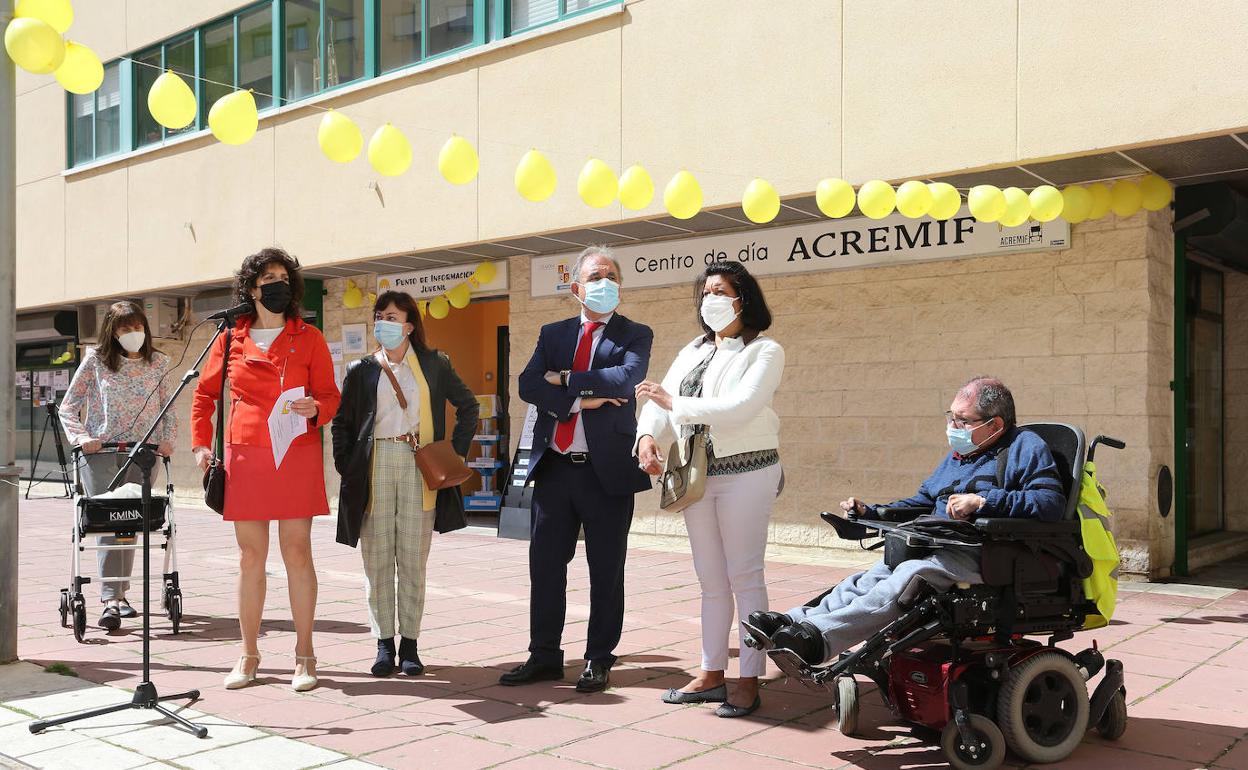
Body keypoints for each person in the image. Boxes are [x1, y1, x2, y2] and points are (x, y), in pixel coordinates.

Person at [749, 377, 1066, 666]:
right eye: (951, 416)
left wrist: (984, 501)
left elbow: (1050, 503)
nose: (953, 426)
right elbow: (923, 501)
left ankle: (818, 639)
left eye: (963, 420)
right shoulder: (959, 456)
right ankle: (790, 622)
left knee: (908, 580)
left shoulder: (1026, 447)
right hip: (938, 543)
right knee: (868, 579)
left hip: (985, 550)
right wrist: (871, 513)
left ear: (995, 425)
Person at [634, 261, 785, 718]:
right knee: (710, 579)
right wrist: (645, 438)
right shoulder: (694, 349)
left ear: (743, 298)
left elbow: (740, 408)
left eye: (719, 291)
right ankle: (710, 672)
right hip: (697, 474)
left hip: (748, 472)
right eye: (705, 293)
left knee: (745, 575)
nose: (710, 300)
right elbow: (660, 401)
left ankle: (748, 677)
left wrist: (672, 404)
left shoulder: (765, 351)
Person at [503, 245, 653, 693]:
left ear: (619, 284)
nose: (603, 283)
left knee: (606, 570)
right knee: (546, 568)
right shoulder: (553, 334)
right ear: (576, 288)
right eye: (594, 277)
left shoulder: (634, 333)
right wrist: (582, 400)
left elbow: (626, 380)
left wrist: (565, 378)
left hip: (606, 472)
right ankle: (544, 655)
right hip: (555, 469)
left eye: (610, 276)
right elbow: (528, 384)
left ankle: (598, 658)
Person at [191, 247, 340, 692]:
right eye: (267, 277)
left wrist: (316, 408)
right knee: (250, 557)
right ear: (251, 289)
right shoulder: (228, 338)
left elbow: (331, 396)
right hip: (246, 454)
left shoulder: (308, 337)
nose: (277, 284)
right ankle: (249, 654)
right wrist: (201, 443)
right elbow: (203, 397)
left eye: (282, 277)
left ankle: (305, 655)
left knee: (298, 552)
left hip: (295, 449)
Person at [332, 291, 479, 678]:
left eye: (393, 317)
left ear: (410, 325)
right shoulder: (360, 369)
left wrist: (455, 452)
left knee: (413, 560)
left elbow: (469, 406)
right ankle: (384, 645)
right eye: (380, 316)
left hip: (420, 463)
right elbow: (342, 424)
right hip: (375, 464)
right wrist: (348, 468)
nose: (384, 323)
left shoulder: (434, 364)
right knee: (377, 559)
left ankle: (411, 645)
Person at [60, 301, 177, 631]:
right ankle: (112, 598)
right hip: (101, 452)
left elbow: (168, 409)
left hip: (144, 454)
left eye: (138, 327)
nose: (133, 334)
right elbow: (68, 408)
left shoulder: (159, 363)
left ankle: (120, 595)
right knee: (108, 523)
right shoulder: (96, 362)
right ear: (112, 331)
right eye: (125, 329)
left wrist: (168, 440)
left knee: (130, 523)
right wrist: (82, 438)